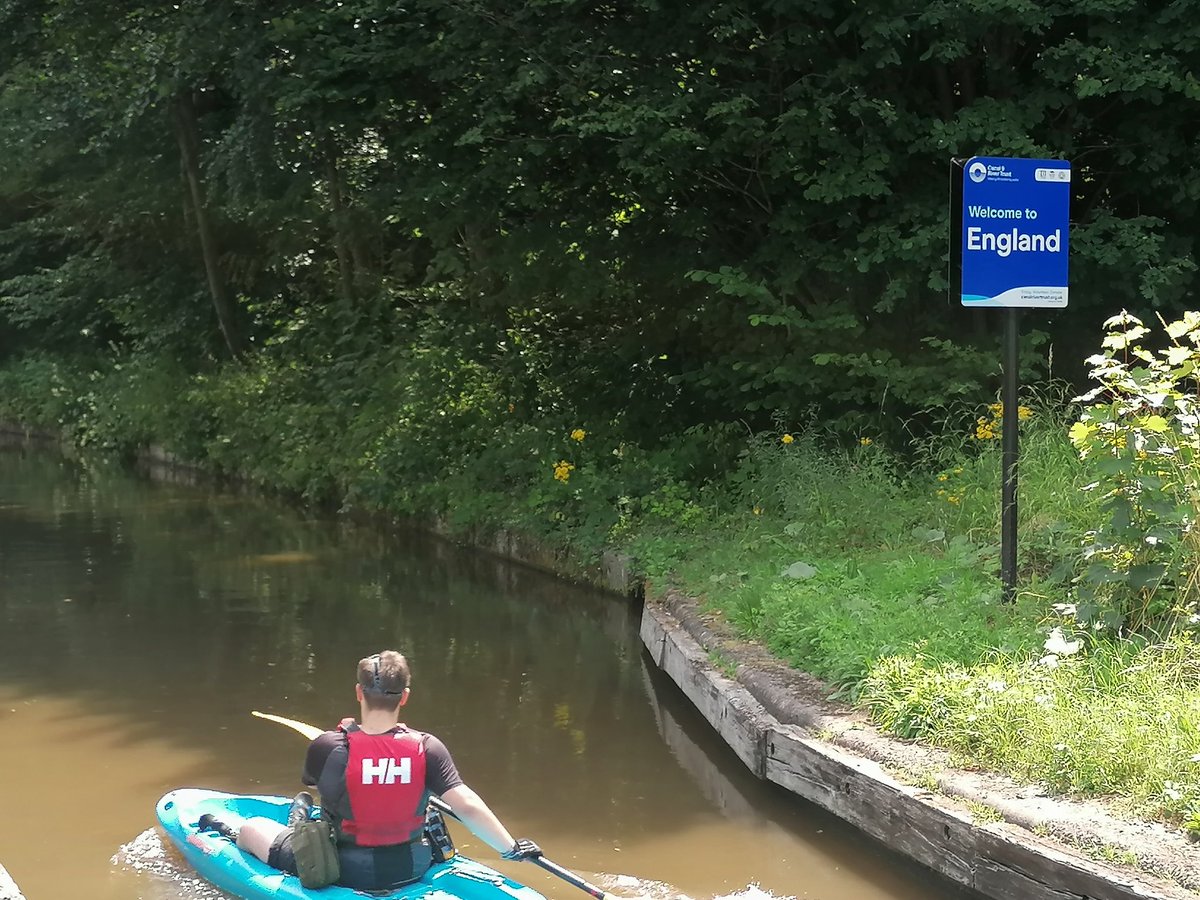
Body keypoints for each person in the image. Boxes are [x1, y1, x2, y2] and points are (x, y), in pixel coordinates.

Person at [232, 650, 542, 891]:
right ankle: (297, 819)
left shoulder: (328, 746)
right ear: (404, 696)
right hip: (410, 868)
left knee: (252, 829)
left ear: (358, 692)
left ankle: (291, 821)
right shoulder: (428, 748)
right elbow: (469, 806)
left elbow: (316, 783)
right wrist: (511, 848)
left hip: (341, 869)